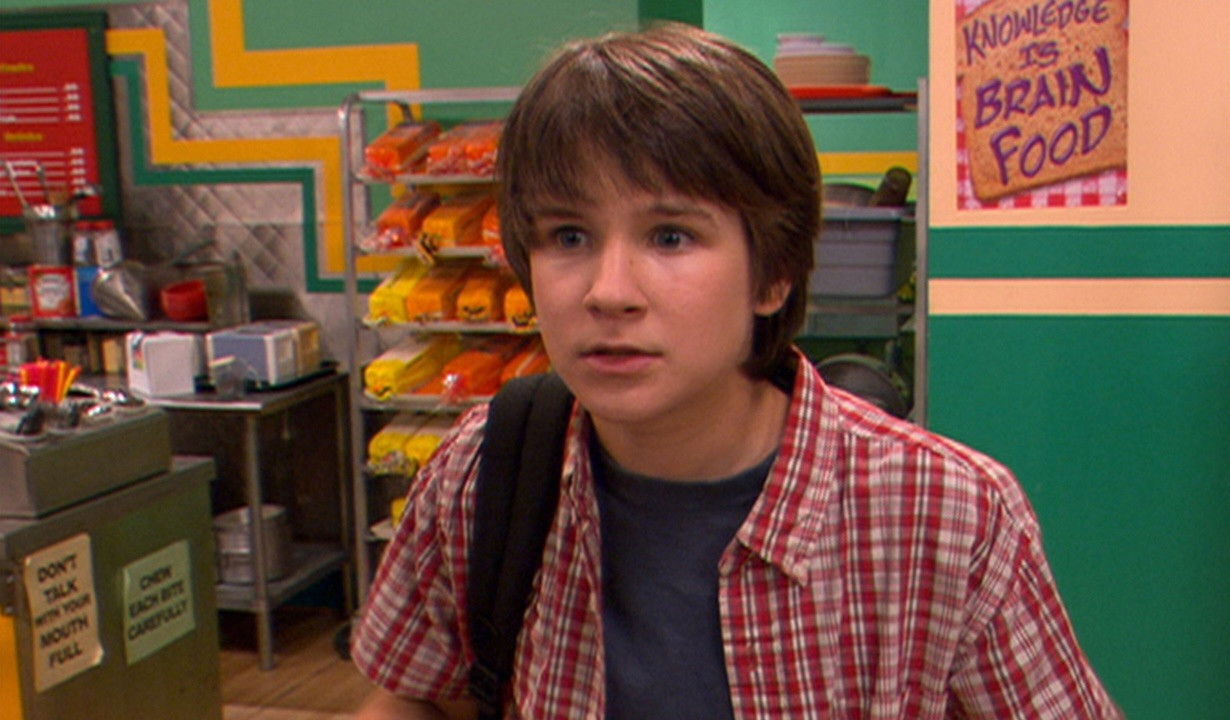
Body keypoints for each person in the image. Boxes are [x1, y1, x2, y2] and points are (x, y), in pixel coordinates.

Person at [352, 23, 1123, 720]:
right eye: (569, 236)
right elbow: (416, 698)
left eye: (671, 237)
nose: (608, 291)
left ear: (773, 274)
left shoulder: (949, 516)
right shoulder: (484, 470)